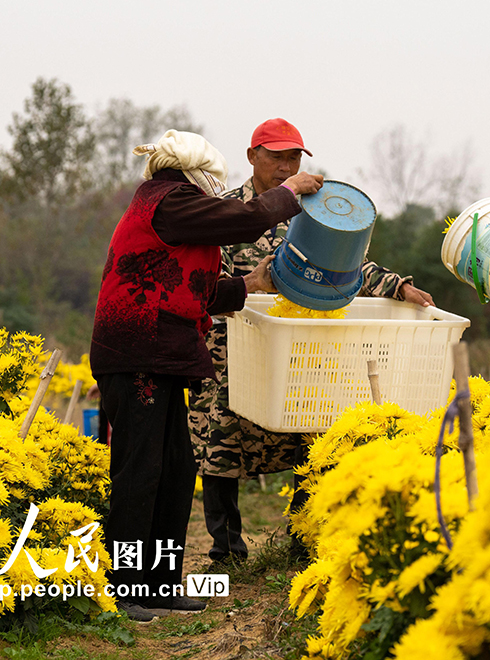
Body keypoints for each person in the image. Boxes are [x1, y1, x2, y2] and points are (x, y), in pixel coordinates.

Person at [90, 130, 323, 621]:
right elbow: (243, 218)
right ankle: (125, 587)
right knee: (140, 472)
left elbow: (193, 290)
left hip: (162, 357)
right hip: (136, 354)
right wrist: (292, 191)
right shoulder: (168, 200)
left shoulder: (171, 209)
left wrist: (248, 284)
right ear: (193, 173)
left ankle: (159, 583)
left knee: (174, 470)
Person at [188, 118, 433, 563]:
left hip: (301, 353)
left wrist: (398, 287)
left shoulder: (315, 209)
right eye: (275, 157)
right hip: (232, 350)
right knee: (219, 447)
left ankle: (302, 541)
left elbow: (350, 265)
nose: (285, 167)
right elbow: (204, 282)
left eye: (293, 158)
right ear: (252, 157)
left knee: (311, 441)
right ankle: (227, 552)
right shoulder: (225, 211)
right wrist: (248, 284)